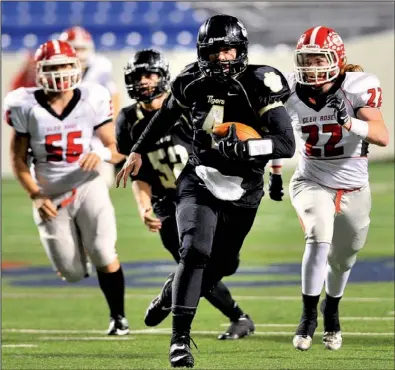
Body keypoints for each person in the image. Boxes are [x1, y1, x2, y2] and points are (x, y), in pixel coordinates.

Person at [116, 15, 295, 368]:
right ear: (203, 54)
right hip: (199, 178)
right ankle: (179, 341)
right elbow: (164, 117)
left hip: (244, 188)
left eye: (229, 50)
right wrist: (137, 149)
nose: (223, 58)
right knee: (194, 252)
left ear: (241, 50)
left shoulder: (262, 81)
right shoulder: (189, 80)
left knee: (224, 264)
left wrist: (247, 148)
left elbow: (285, 144)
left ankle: (170, 293)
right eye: (215, 52)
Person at [3, 40, 129, 335]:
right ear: (40, 71)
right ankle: (79, 247)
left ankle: (118, 317)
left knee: (102, 250)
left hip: (88, 184)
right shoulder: (24, 104)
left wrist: (100, 154)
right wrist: (35, 194)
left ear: (76, 68)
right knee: (72, 273)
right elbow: (18, 160)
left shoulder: (92, 97)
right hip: (49, 193)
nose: (60, 73)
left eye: (64, 65)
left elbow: (118, 148)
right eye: (53, 67)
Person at [284, 26, 389, 351]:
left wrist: (350, 122)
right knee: (319, 237)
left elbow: (382, 135)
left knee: (343, 259)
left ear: (337, 59)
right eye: (307, 59)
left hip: (354, 187)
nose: (312, 66)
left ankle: (331, 308)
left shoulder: (357, 87)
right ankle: (307, 317)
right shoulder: (288, 90)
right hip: (312, 180)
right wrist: (274, 169)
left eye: (319, 58)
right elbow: (275, 133)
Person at [58, 26, 120, 187]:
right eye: (74, 48)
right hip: (68, 130)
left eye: (82, 48)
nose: (78, 53)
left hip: (96, 130)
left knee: (103, 180)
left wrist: (112, 124)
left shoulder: (101, 66)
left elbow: (113, 95)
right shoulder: (56, 68)